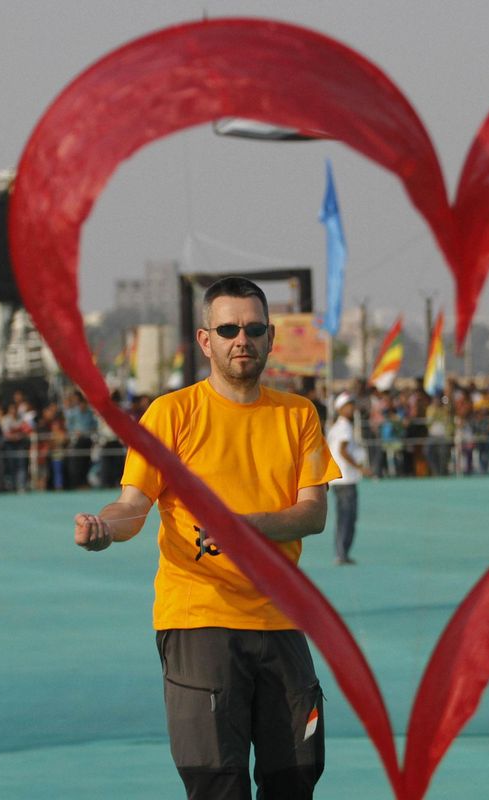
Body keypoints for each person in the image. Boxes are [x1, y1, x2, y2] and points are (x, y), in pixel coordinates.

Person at [72, 276, 340, 799]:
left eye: (254, 328)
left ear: (270, 337)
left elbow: (313, 513)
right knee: (217, 781)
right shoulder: (170, 415)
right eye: (229, 328)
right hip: (198, 621)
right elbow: (132, 507)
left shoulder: (298, 414)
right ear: (205, 340)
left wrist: (247, 528)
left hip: (282, 620)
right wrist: (105, 530)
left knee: (297, 776)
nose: (243, 339)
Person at [326, 391, 369, 565]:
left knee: (344, 516)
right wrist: (360, 467)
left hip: (339, 478)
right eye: (348, 405)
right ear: (340, 408)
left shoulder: (336, 426)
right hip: (346, 478)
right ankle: (342, 553)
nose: (352, 408)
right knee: (347, 517)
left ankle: (341, 552)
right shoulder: (344, 427)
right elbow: (343, 451)